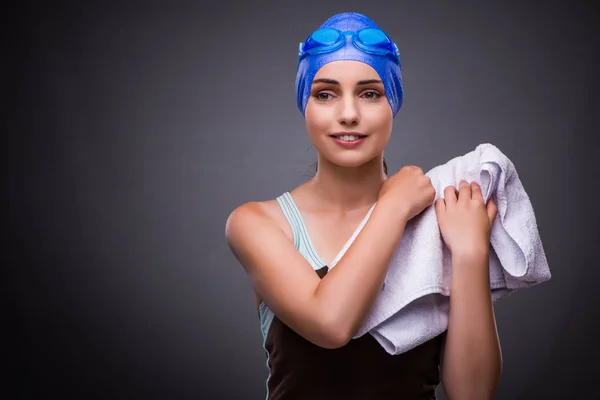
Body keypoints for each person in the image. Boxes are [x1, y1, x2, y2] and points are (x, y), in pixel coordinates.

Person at [226, 12, 502, 400]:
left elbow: (472, 395)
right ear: (305, 105)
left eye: (370, 93)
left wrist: (470, 253)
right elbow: (331, 324)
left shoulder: (439, 222)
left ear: (394, 103)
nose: (349, 114)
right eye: (325, 93)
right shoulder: (258, 224)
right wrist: (393, 206)